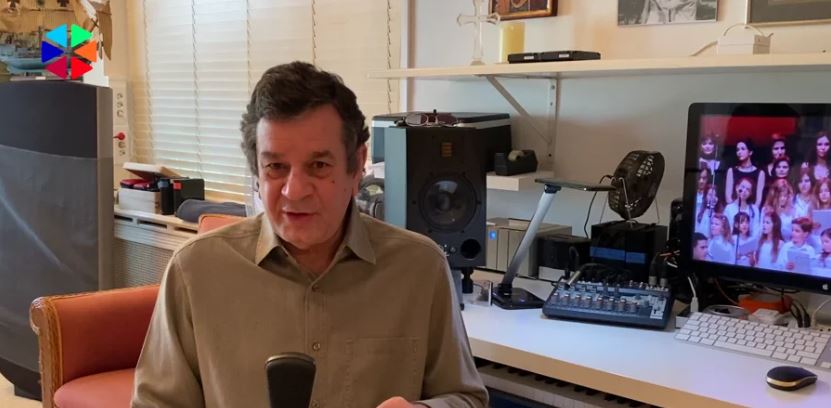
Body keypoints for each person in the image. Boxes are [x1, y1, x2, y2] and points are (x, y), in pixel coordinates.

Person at [131, 62, 488, 408]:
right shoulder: (194, 271)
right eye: (276, 167)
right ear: (257, 173)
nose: (295, 191)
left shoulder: (420, 269)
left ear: (356, 167)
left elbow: (466, 397)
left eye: (319, 166)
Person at [725, 139, 765, 208]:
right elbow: (728, 197)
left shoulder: (760, 173)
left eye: (743, 149)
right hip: (734, 209)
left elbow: (758, 200)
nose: (739, 152)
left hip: (751, 210)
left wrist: (751, 210)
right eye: (738, 150)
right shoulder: (731, 171)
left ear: (750, 152)